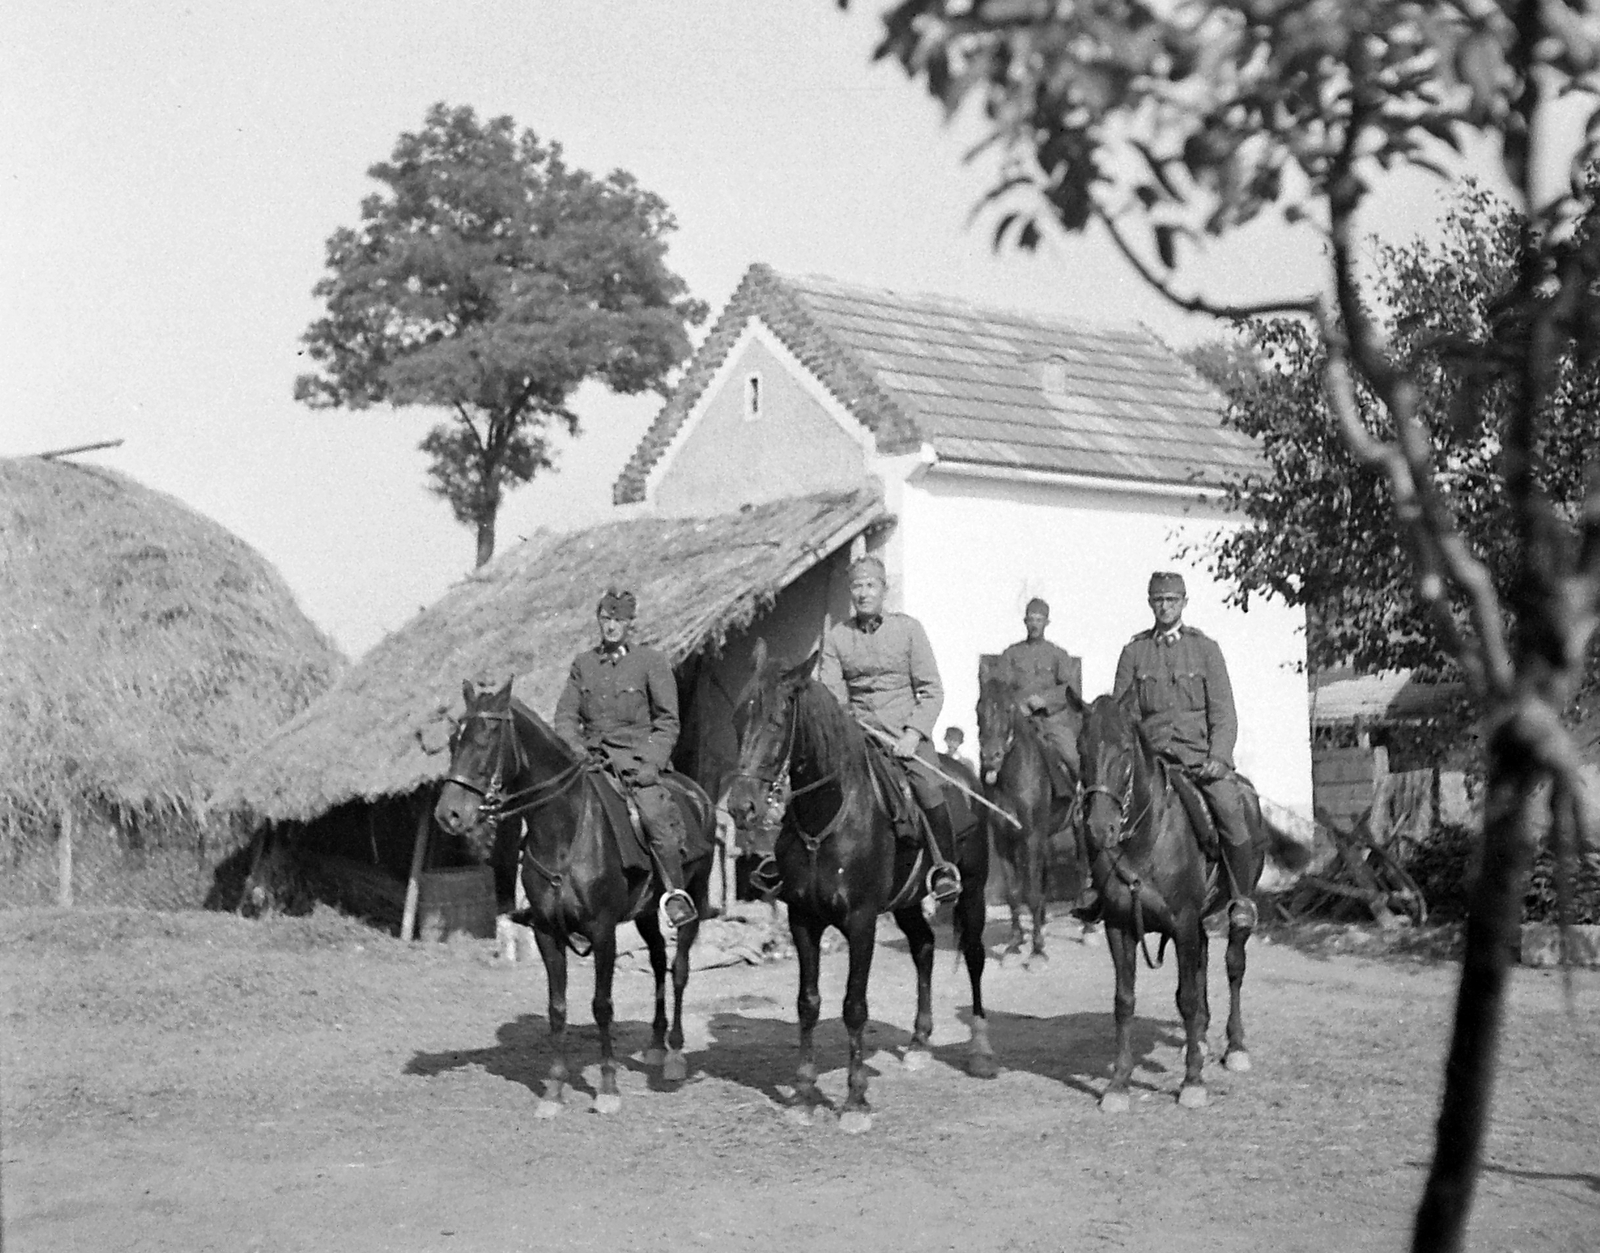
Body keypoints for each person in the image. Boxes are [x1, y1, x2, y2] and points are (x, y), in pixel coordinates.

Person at [750, 555, 962, 903]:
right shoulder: (836, 638)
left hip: (905, 738)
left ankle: (943, 869)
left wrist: (913, 734)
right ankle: (780, 860)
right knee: (806, 782)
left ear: (883, 590)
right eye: (856, 586)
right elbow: (833, 695)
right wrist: (846, 725)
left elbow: (931, 690)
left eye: (870, 585)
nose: (863, 593)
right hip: (858, 737)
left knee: (927, 790)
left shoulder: (909, 630)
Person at [1080, 571, 1255, 928]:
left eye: (1172, 600)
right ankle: (1097, 890)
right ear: (1150, 604)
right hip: (1152, 758)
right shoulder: (1134, 652)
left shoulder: (1206, 650)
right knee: (1100, 806)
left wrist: (1219, 759)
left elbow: (1224, 712)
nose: (1165, 607)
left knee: (1231, 810)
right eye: (1159, 600)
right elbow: (1120, 713)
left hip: (1197, 759)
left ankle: (1241, 900)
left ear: (1184, 603)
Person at [554, 587, 697, 929]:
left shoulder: (650, 662)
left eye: (618, 620)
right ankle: (551, 899)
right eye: (605, 619)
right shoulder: (583, 664)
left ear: (630, 622)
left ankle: (674, 896)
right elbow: (564, 718)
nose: (611, 626)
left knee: (654, 815)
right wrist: (577, 751)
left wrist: (651, 764)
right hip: (591, 762)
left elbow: (667, 721)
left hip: (636, 764)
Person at [997, 597, 1083, 782]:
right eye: (1031, 619)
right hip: (1018, 721)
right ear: (1025, 622)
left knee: (1073, 758)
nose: (1034, 624)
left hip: (1050, 721)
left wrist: (1045, 700)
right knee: (994, 762)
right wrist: (1018, 706)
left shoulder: (1057, 655)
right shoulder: (1011, 654)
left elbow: (1070, 690)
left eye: (1039, 620)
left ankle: (1082, 801)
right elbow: (1001, 690)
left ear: (1046, 622)